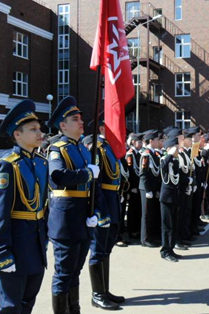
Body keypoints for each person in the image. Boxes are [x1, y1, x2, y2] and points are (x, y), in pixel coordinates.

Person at [0, 99, 49, 314]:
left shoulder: (41, 162)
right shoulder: (7, 166)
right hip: (15, 244)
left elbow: (43, 205)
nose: (40, 132)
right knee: (10, 307)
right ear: (17, 135)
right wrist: (1, 252)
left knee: (27, 302)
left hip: (35, 243)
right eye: (33, 129)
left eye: (39, 128)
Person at [45, 96, 105, 314]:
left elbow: (94, 185)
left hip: (83, 217)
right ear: (63, 125)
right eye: (75, 119)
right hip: (66, 219)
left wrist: (96, 210)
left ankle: (74, 310)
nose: (81, 122)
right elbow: (57, 176)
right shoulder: (57, 149)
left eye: (81, 118)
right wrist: (87, 173)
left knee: (75, 271)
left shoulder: (83, 149)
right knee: (63, 273)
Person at [83, 119, 125, 311]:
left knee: (107, 248)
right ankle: (97, 294)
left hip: (113, 199)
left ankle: (104, 289)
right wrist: (98, 209)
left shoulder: (108, 147)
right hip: (103, 201)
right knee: (98, 249)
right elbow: (95, 181)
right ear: (101, 129)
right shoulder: (96, 148)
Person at [159, 136, 184, 262]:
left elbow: (177, 178)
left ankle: (171, 248)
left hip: (174, 195)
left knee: (174, 224)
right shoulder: (164, 159)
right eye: (176, 148)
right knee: (167, 226)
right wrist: (169, 154)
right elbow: (162, 169)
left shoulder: (175, 161)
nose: (178, 150)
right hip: (166, 197)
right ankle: (165, 251)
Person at [139, 130, 162, 248]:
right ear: (151, 141)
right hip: (146, 189)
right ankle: (145, 239)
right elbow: (143, 174)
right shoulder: (146, 154)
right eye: (157, 140)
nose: (159, 142)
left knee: (152, 213)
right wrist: (148, 190)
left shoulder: (154, 154)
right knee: (146, 214)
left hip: (152, 189)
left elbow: (156, 174)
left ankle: (151, 236)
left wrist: (156, 190)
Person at [125, 133, 144, 240]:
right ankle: (132, 230)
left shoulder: (139, 154)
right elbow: (131, 172)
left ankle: (137, 229)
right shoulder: (130, 154)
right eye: (139, 142)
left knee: (138, 209)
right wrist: (132, 186)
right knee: (132, 209)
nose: (141, 144)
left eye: (141, 142)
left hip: (139, 186)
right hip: (133, 187)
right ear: (133, 142)